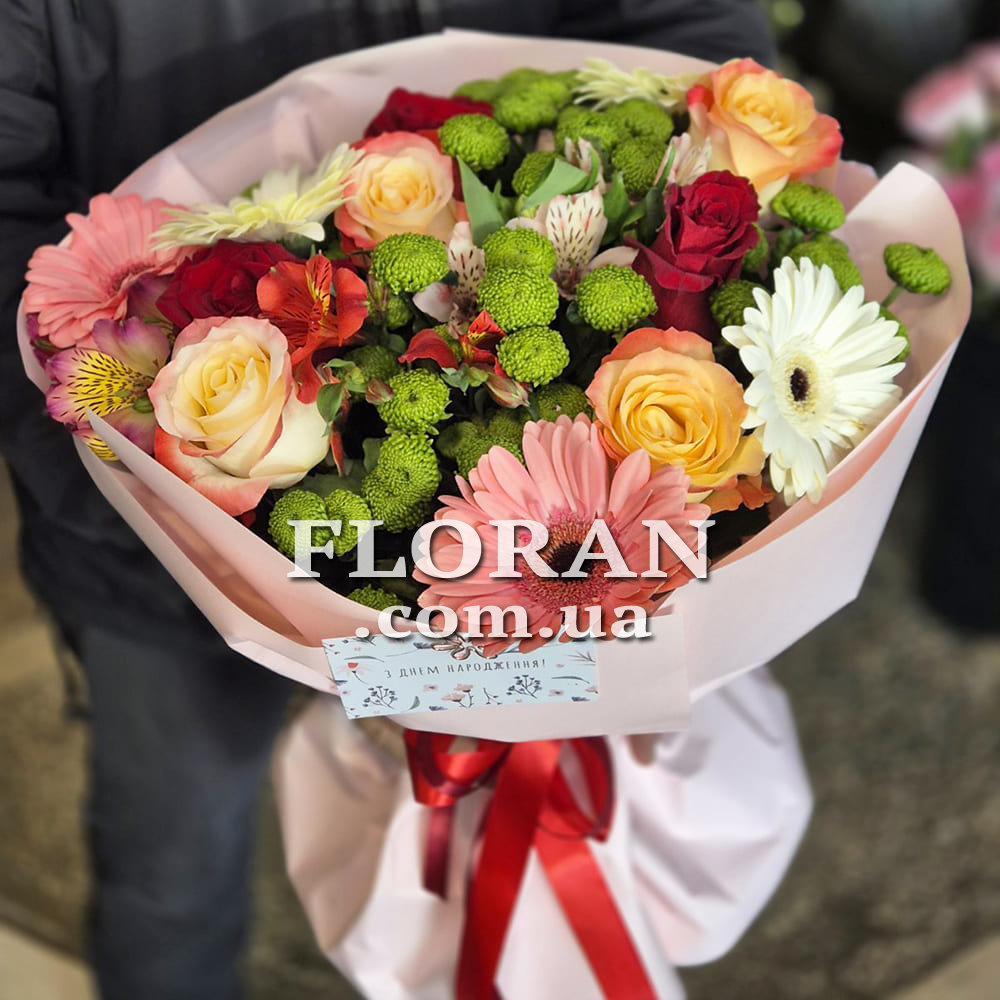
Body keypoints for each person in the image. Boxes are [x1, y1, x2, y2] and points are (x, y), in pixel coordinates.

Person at [0, 3, 774, 998]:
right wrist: (148, 501)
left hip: (537, 522)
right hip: (153, 557)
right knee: (172, 867)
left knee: (507, 845)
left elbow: (690, 30)